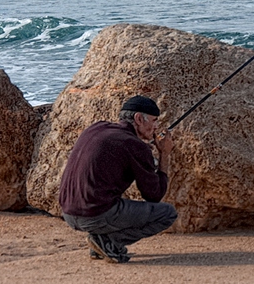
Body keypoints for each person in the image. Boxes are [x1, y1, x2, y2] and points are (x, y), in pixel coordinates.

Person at [59, 95, 177, 263]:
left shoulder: (96, 128)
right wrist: (164, 153)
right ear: (138, 118)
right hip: (94, 215)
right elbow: (154, 195)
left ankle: (100, 243)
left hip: (68, 213)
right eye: (154, 120)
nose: (157, 126)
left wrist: (141, 151)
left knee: (108, 202)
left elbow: (119, 151)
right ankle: (109, 242)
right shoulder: (134, 145)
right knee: (167, 214)